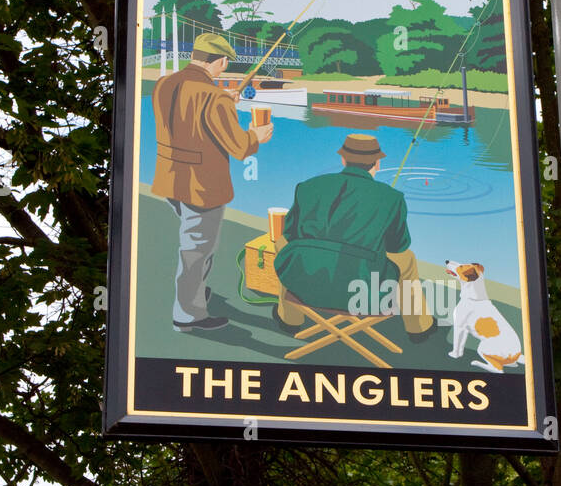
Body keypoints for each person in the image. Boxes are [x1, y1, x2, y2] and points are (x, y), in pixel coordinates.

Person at [150, 32, 273, 331]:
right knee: (197, 247)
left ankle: (192, 294)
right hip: (201, 186)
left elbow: (188, 119)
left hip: (170, 178)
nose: (224, 68)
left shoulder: (164, 83)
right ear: (219, 61)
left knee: (197, 242)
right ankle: (187, 313)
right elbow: (239, 147)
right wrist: (257, 136)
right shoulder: (214, 97)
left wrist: (224, 103)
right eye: (224, 64)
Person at [273, 132, 435, 339]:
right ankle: (419, 328)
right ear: (377, 163)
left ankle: (289, 320)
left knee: (283, 243)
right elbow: (399, 245)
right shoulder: (393, 198)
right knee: (407, 259)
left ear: (343, 159)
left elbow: (290, 232)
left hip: (307, 282)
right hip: (362, 291)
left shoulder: (307, 187)